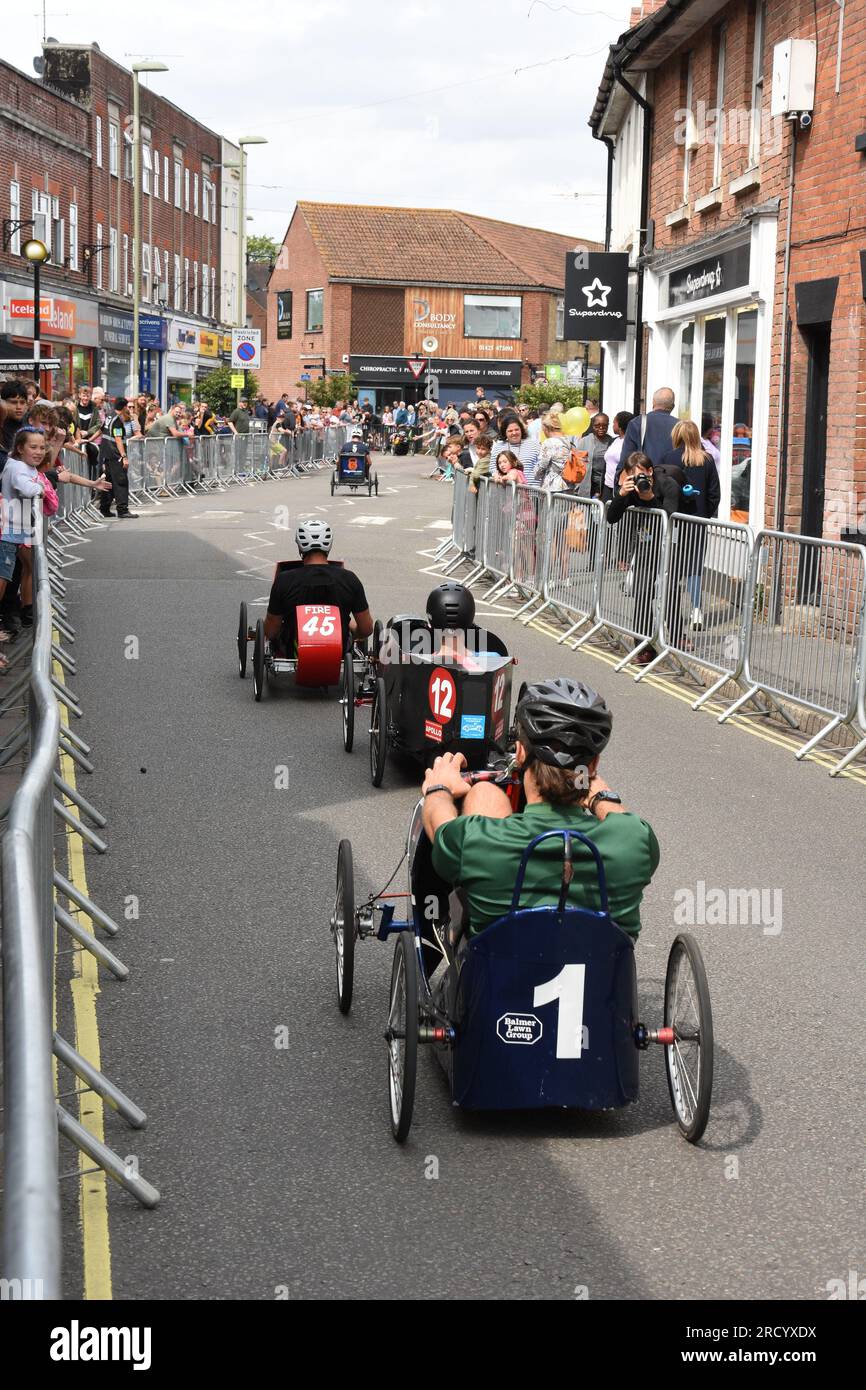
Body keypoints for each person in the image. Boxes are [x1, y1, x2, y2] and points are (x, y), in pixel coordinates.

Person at [422, 680, 658, 941]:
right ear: (594, 765)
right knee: (485, 794)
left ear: (521, 753)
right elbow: (620, 819)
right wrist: (601, 796)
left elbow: (438, 824)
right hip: (600, 976)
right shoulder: (636, 840)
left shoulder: (480, 840)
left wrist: (439, 787)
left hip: (503, 976)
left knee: (484, 795)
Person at [606, 451, 685, 663]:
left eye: (642, 475)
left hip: (672, 545)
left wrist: (650, 498)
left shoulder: (668, 485)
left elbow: (668, 518)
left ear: (650, 471)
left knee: (670, 592)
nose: (639, 480)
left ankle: (677, 636)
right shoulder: (631, 489)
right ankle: (644, 646)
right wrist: (621, 494)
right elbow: (611, 518)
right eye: (633, 476)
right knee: (642, 594)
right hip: (645, 546)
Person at [263, 520, 373, 654]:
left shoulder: (284, 580)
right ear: (329, 545)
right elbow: (366, 629)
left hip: (292, 650)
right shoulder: (349, 579)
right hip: (340, 651)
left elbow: (271, 631)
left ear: (300, 547)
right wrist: (352, 629)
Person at [1, 425, 48, 631]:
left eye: (42, 447)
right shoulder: (18, 468)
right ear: (20, 448)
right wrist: (40, 489)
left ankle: (26, 611)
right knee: (2, 581)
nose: (39, 452)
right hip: (8, 533)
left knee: (25, 571)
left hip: (17, 533)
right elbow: (27, 488)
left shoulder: (21, 465)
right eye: (33, 447)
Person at [618, 386, 678, 479]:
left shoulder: (637, 423)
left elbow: (626, 458)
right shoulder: (681, 426)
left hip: (645, 481)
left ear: (653, 403)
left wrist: (618, 482)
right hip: (673, 482)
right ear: (673, 406)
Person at [98, 397, 137, 518]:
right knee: (121, 482)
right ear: (124, 407)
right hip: (115, 455)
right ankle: (122, 510)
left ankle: (104, 508)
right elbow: (118, 439)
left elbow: (100, 431)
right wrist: (124, 456)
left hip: (106, 453)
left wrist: (88, 439)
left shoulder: (109, 416)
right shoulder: (118, 422)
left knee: (108, 482)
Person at [491, 413, 539, 484]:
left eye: (516, 429)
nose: (514, 433)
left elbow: (540, 466)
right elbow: (492, 468)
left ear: (521, 430)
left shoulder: (534, 445)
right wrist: (496, 475)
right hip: (508, 490)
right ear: (505, 432)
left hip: (533, 489)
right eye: (510, 431)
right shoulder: (498, 447)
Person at [577, 412, 613, 499]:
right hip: (588, 485)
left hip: (605, 486)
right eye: (597, 425)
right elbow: (578, 464)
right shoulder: (584, 441)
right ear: (593, 426)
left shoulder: (612, 441)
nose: (601, 428)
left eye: (604, 425)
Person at [534, 411, 572, 493]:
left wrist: (536, 475)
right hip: (568, 484)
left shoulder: (549, 443)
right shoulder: (567, 441)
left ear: (545, 428)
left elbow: (542, 465)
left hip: (553, 487)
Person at [601, 410, 634, 502]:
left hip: (620, 488)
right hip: (607, 487)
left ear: (619, 426)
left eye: (614, 423)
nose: (612, 426)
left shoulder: (631, 443)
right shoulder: (613, 440)